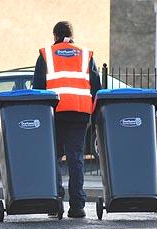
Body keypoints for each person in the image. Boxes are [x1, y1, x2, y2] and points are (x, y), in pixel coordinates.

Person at [33, 21, 101, 218]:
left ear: (55, 36)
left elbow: (38, 88)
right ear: (72, 35)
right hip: (80, 113)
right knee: (76, 158)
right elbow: (97, 88)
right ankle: (77, 206)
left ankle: (55, 203)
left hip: (54, 113)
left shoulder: (46, 54)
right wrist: (94, 117)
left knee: (53, 157)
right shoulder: (85, 54)